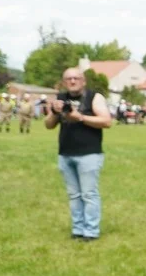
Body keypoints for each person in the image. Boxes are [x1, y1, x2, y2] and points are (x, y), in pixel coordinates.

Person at [45, 68, 112, 240]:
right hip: (65, 153)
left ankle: (91, 231)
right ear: (64, 82)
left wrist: (80, 117)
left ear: (84, 81)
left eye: (76, 78)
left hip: (89, 153)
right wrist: (54, 112)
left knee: (89, 194)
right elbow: (48, 125)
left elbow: (106, 121)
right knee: (74, 195)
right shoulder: (60, 98)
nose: (72, 81)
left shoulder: (94, 97)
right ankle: (77, 229)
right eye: (68, 79)